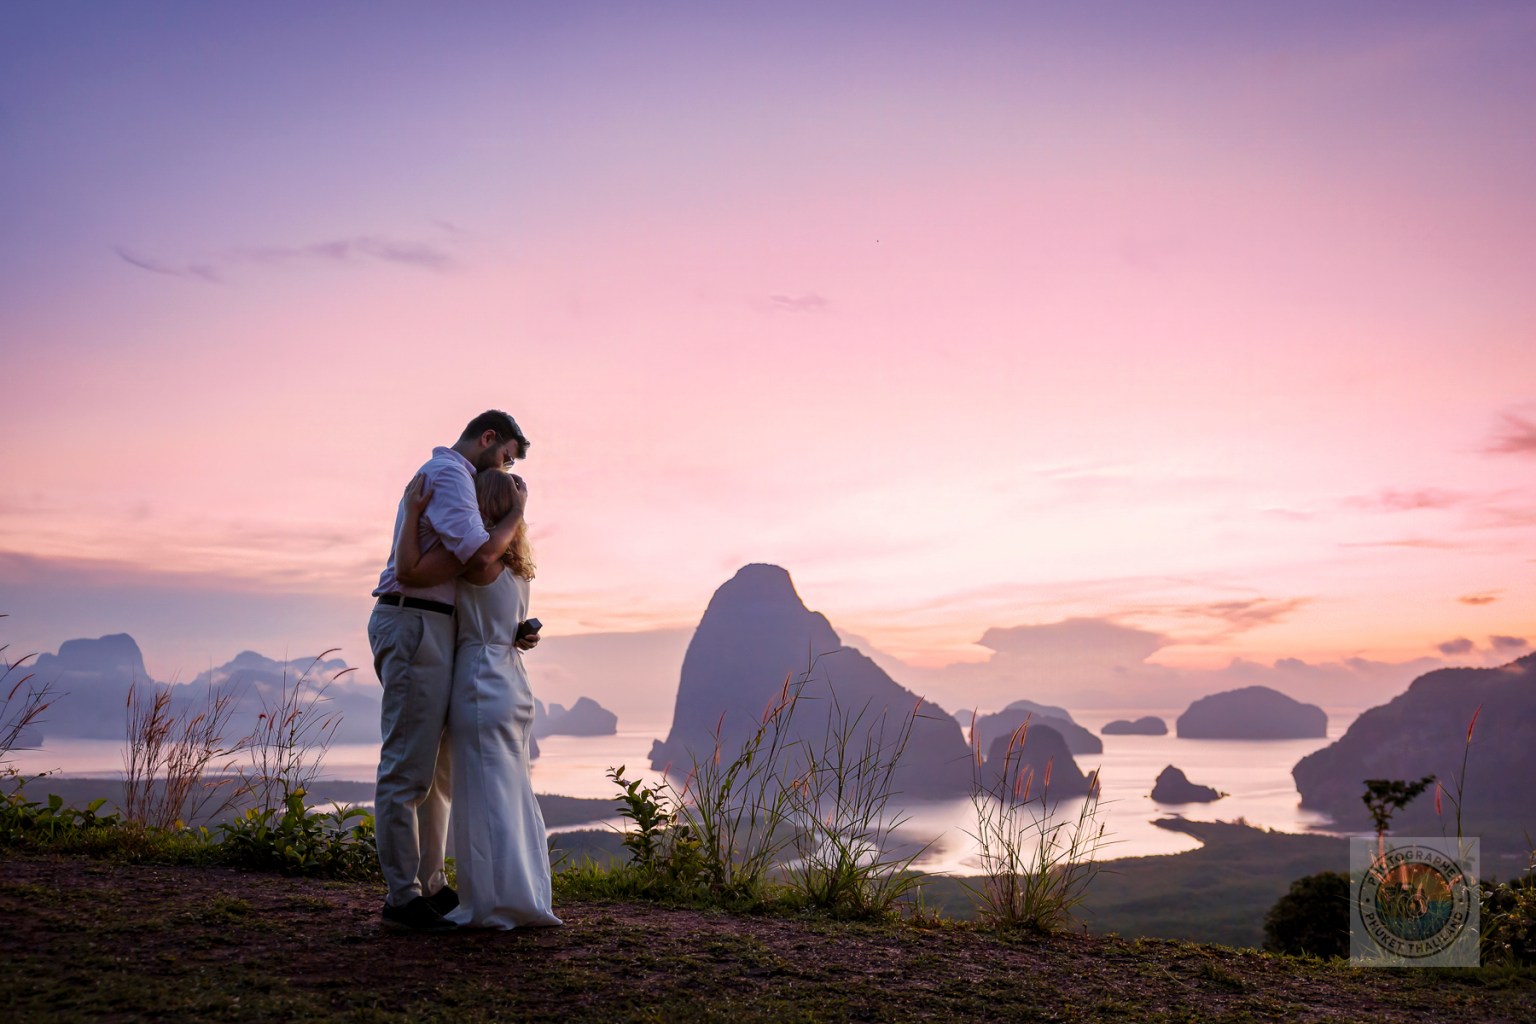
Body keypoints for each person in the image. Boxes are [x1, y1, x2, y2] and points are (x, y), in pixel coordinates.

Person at [368, 410, 529, 932]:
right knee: (408, 765)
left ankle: (431, 885)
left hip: (434, 624)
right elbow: (479, 557)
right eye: (505, 457)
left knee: (436, 773)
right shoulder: (450, 474)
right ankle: (402, 897)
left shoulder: (451, 477)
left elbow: (460, 569)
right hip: (415, 621)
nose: (502, 470)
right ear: (488, 438)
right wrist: (515, 512)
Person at [395, 468, 562, 929]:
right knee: (510, 794)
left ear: (479, 506)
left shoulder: (477, 561)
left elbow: (408, 570)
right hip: (512, 682)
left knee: (481, 799)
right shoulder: (518, 569)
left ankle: (491, 903)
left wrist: (411, 514)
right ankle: (523, 895)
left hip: (480, 683)